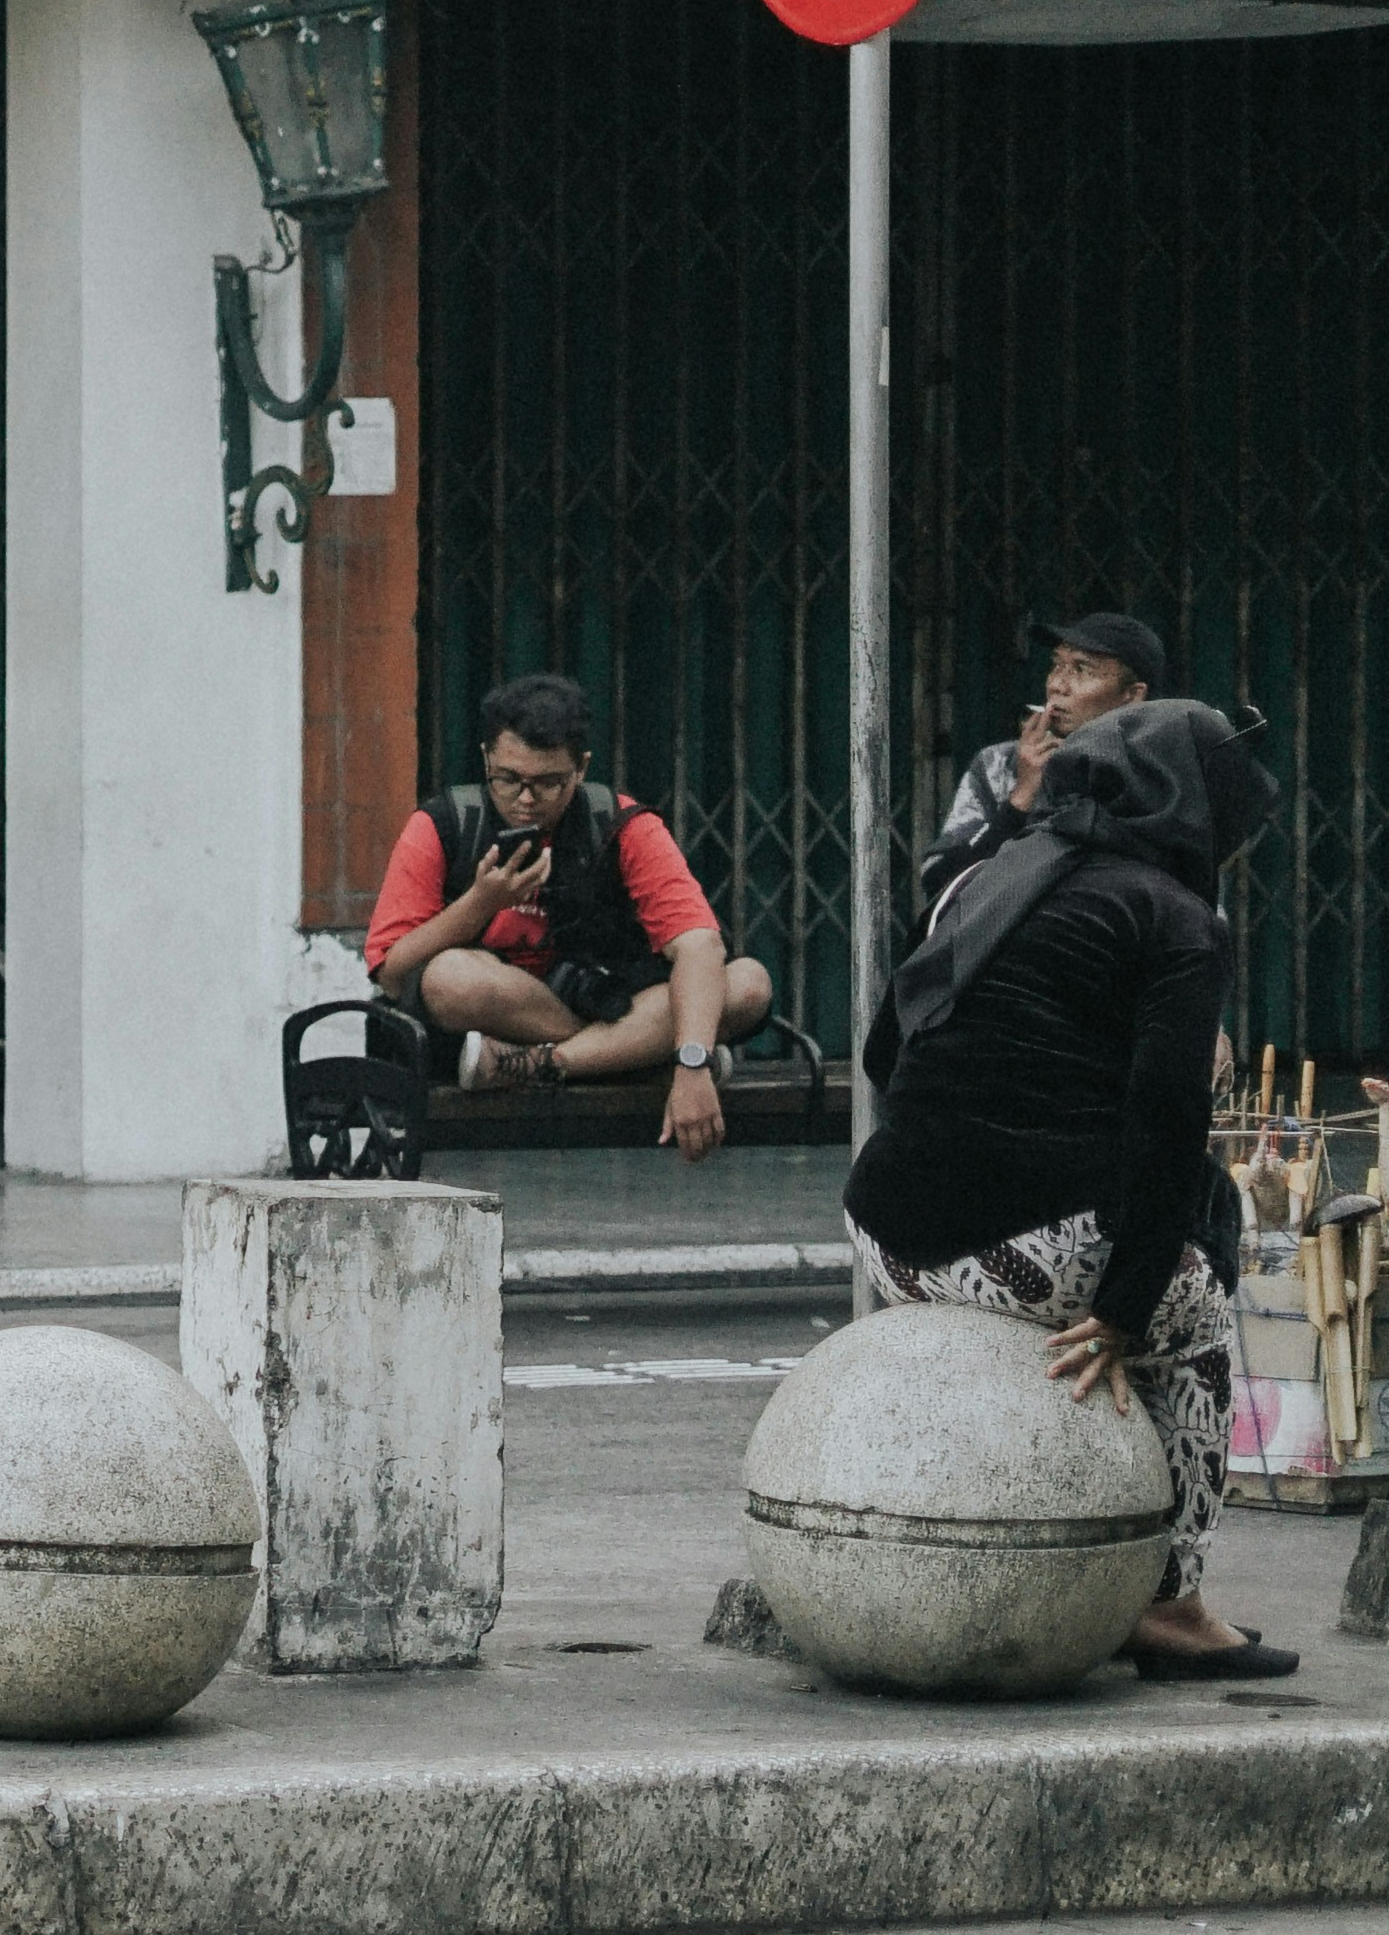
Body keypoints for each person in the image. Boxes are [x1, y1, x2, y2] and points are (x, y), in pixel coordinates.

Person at [848, 698, 1291, 1680]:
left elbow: (887, 1049)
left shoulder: (995, 871)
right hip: (1012, 1257)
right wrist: (1129, 1306)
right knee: (1200, 1310)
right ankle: (1171, 1602)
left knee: (1145, 1237)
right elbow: (1168, 1123)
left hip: (884, 1232)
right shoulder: (1177, 918)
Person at [365, 670, 772, 1154]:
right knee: (451, 976)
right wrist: (479, 904)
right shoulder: (444, 824)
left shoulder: (620, 824)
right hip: (490, 1021)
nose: (525, 799)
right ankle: (632, 1056)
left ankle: (547, 1062)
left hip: (604, 996)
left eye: (548, 783)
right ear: (485, 759)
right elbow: (392, 973)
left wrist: (689, 1062)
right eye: (508, 779)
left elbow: (700, 942)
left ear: (580, 768)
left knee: (747, 983)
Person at [928, 612, 1164, 906]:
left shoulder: (1161, 776)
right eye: (1056, 665)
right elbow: (940, 888)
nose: (1057, 685)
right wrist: (1020, 800)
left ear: (1132, 695)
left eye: (1080, 669)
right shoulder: (1000, 764)